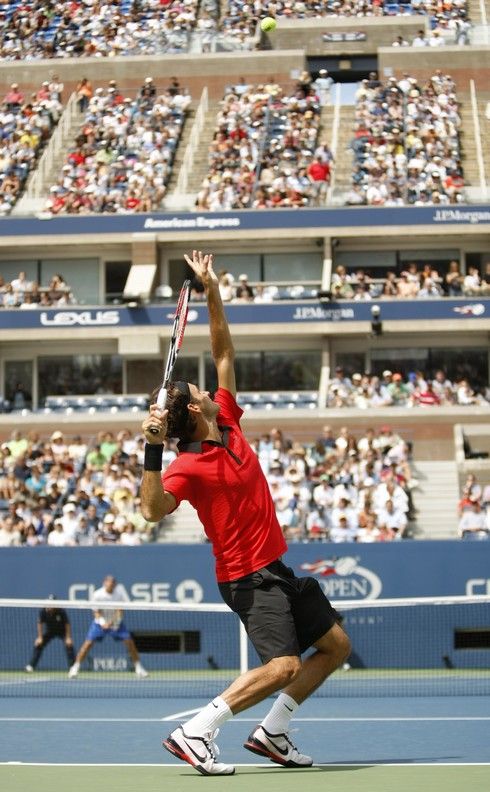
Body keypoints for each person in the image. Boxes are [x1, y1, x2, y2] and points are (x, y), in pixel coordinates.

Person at [141, 250, 350, 776]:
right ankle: (197, 730)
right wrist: (150, 453)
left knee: (335, 645)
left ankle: (273, 733)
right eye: (197, 389)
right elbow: (150, 511)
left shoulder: (228, 420)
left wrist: (212, 292)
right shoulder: (187, 466)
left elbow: (224, 351)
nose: (208, 387)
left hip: (274, 567)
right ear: (194, 409)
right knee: (281, 665)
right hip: (247, 579)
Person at [68, 575, 148, 678]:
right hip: (99, 623)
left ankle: (138, 668)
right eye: (109, 582)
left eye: (113, 582)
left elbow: (120, 611)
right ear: (104, 583)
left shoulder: (119, 595)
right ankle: (75, 667)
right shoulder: (97, 594)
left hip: (115, 623)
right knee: (88, 644)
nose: (111, 584)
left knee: (129, 642)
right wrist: (103, 623)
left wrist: (114, 622)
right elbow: (96, 612)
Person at [25, 595, 75, 672]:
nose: (49, 605)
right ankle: (31, 666)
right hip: (50, 631)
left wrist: (68, 637)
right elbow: (40, 623)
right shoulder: (43, 611)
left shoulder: (61, 611)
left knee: (69, 645)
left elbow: (67, 624)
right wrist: (40, 637)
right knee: (38, 644)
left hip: (62, 631)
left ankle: (72, 667)